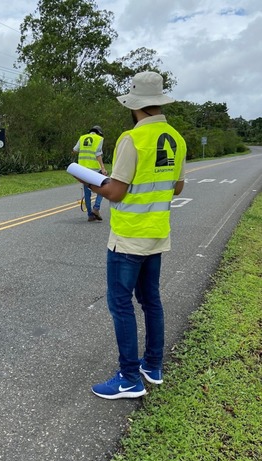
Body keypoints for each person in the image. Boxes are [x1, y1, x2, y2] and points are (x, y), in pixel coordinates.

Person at [86, 71, 187, 399]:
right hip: (157, 233)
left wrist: (89, 182)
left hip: (128, 236)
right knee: (150, 299)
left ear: (135, 106)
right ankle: (152, 366)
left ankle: (128, 377)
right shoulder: (176, 139)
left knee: (120, 303)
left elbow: (114, 192)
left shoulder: (132, 139)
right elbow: (178, 185)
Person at [73, 125, 107, 221]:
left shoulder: (82, 137)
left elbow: (75, 150)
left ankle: (90, 215)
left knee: (87, 192)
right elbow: (98, 154)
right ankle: (96, 208)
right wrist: (103, 168)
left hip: (82, 169)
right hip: (94, 169)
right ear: (99, 133)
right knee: (102, 188)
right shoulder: (99, 139)